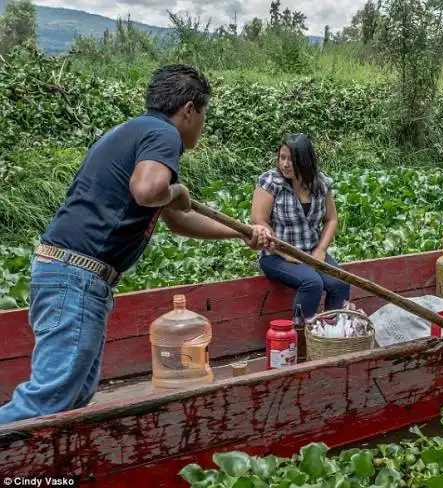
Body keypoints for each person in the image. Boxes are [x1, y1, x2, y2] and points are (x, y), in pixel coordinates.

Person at [0, 65, 273, 425]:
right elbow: (147, 191)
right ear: (189, 109)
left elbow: (178, 220)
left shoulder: (133, 132)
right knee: (48, 400)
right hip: (75, 276)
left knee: (74, 396)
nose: (202, 125)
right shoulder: (163, 134)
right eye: (204, 114)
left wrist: (241, 232)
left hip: (70, 274)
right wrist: (176, 190)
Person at [251, 133, 350, 319]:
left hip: (311, 252)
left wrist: (320, 250)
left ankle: (331, 335)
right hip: (276, 256)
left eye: (291, 159)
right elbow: (259, 220)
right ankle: (300, 338)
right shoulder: (271, 182)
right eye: (282, 158)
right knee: (311, 283)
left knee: (340, 284)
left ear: (304, 160)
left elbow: (331, 219)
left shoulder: (320, 183)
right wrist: (284, 251)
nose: (285, 164)